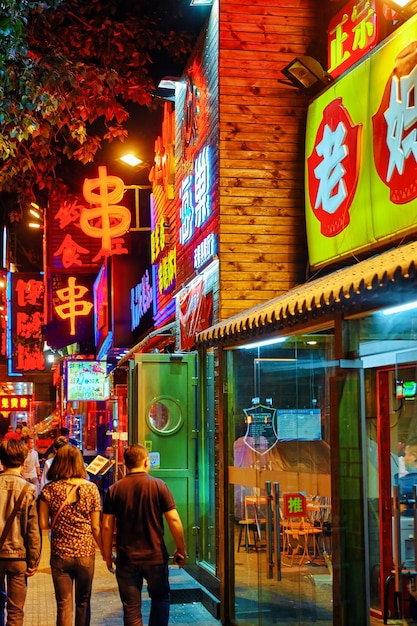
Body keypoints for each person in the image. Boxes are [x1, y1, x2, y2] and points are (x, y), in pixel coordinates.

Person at [102, 443, 187, 626]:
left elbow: (107, 526)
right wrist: (181, 548)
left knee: (131, 607)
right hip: (155, 556)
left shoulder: (115, 490)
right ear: (146, 462)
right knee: (160, 598)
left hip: (127, 559)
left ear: (125, 465)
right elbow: (173, 520)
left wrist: (107, 554)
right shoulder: (159, 486)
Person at [39, 445, 104, 626]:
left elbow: (43, 524)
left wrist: (61, 525)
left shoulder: (49, 490)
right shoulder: (91, 489)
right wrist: (106, 553)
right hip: (85, 553)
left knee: (63, 603)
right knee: (83, 602)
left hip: (60, 553)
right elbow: (96, 527)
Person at [0, 439, 41, 626]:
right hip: (18, 557)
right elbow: (33, 530)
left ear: (1, 460)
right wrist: (33, 560)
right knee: (16, 611)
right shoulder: (29, 490)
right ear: (24, 461)